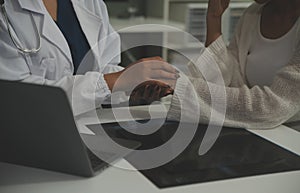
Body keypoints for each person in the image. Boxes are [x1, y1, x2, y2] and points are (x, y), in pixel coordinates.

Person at [0, 0, 178, 115]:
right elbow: (17, 99)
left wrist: (130, 89)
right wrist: (111, 82)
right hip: (29, 139)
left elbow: (103, 67)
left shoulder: (89, 3)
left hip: (88, 127)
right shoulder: (6, 9)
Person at [166, 0, 300, 129]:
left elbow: (273, 107)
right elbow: (232, 81)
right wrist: (214, 18)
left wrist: (181, 85)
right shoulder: (253, 14)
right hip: (258, 134)